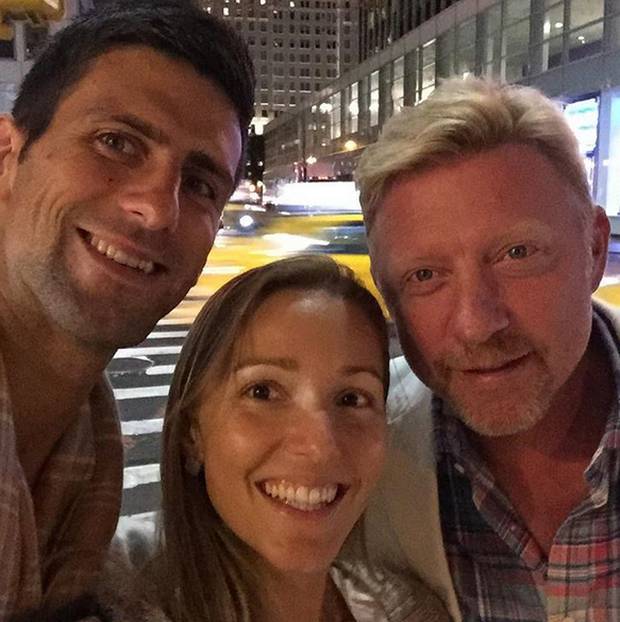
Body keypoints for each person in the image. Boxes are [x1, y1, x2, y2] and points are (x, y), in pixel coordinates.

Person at [0, 1, 254, 619]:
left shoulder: (89, 452)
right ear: (8, 156)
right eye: (116, 143)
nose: (158, 209)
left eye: (200, 185)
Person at [353, 77, 617, 621]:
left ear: (594, 249)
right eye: (425, 276)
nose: (477, 325)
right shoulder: (353, 458)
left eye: (517, 253)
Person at [98, 255, 450, 622]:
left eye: (351, 399)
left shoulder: (409, 611)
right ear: (192, 433)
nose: (319, 446)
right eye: (263, 392)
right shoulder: (113, 603)